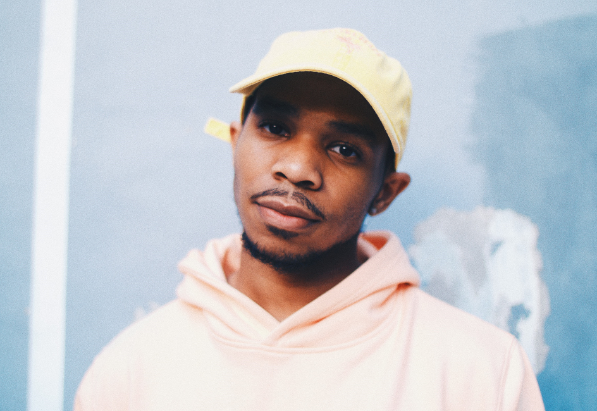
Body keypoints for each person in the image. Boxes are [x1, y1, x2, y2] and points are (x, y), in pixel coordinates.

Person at [74, 28, 545, 410]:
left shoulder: (484, 373)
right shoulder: (130, 371)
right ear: (236, 142)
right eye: (275, 128)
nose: (298, 169)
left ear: (385, 192)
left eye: (344, 149)